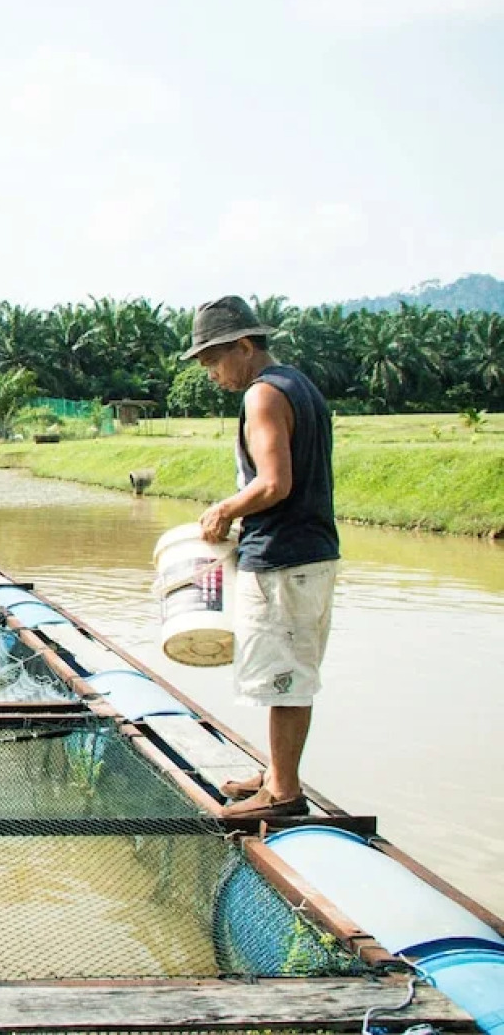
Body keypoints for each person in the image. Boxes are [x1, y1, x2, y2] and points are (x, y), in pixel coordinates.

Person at [184, 295, 340, 821]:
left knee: (284, 678)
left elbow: (274, 484)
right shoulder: (301, 385)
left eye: (213, 360)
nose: (211, 373)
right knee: (285, 672)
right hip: (309, 553)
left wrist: (224, 509)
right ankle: (276, 774)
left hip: (284, 559)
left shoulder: (264, 396)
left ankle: (283, 796)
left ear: (244, 347)